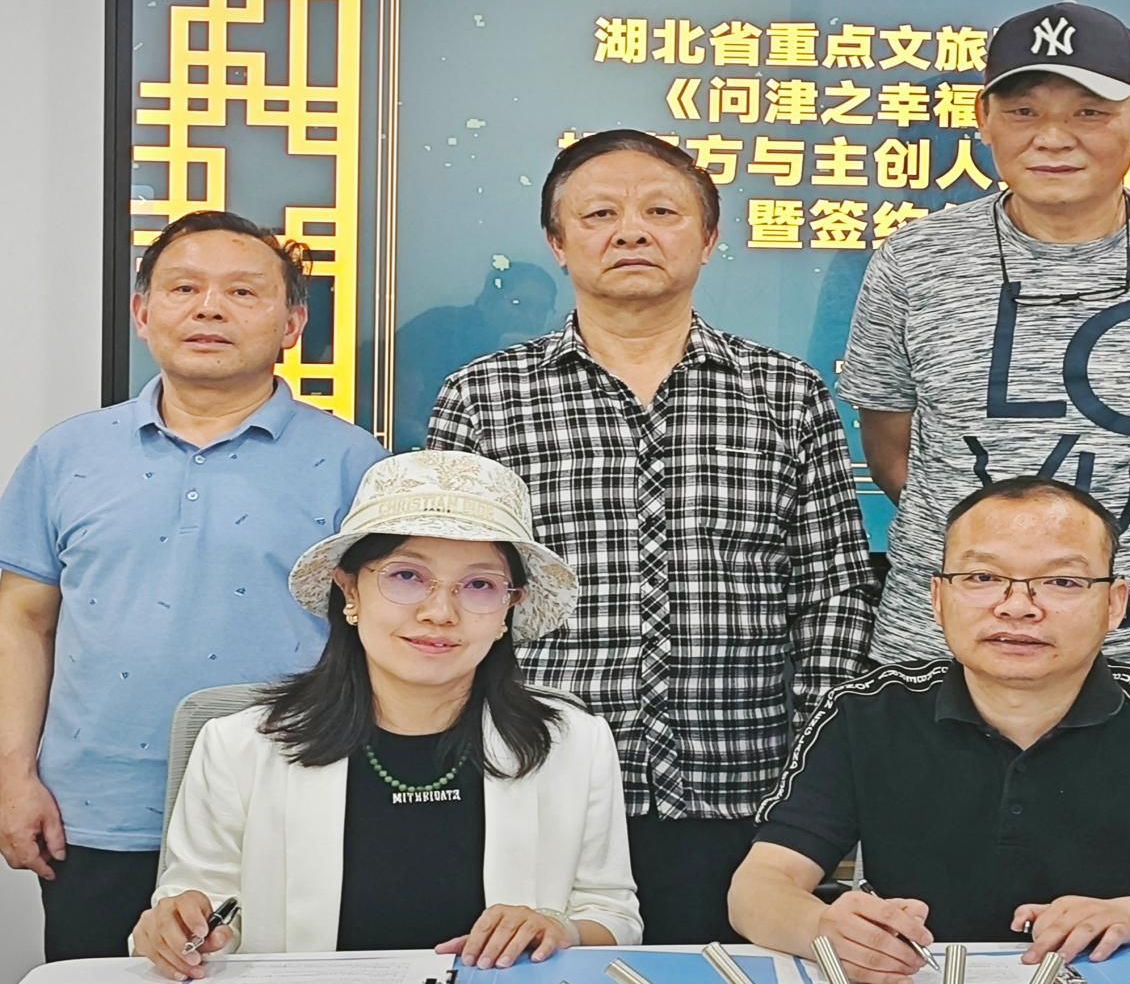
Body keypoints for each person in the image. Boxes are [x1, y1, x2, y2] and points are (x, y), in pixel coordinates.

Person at [425, 130, 876, 942]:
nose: (631, 231)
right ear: (558, 243)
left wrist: (812, 785)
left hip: (746, 795)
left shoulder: (786, 393)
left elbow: (832, 597)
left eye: (662, 212)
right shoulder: (484, 397)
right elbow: (450, 596)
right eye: (600, 214)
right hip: (536, 785)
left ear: (708, 238)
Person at [0, 211, 386, 961]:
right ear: (143, 313)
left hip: (290, 801)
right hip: (98, 813)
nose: (209, 308)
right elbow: (23, 621)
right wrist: (13, 775)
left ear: (292, 324)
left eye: (242, 291)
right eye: (183, 288)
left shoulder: (354, 463)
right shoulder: (66, 453)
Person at [839, 0, 1130, 684]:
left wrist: (1127, 576)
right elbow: (892, 452)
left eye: (1090, 112)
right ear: (983, 119)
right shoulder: (913, 261)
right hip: (944, 649)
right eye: (1024, 111)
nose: (1053, 139)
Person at [130, 451, 641, 980]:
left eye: (479, 585)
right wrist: (177, 931)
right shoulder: (239, 745)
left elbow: (614, 914)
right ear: (349, 590)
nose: (439, 613)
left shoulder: (574, 743)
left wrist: (560, 927)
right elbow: (199, 912)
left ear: (509, 608)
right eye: (407, 576)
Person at [728, 477, 1130, 983]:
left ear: (1114, 603)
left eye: (1062, 581)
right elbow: (758, 887)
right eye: (982, 577)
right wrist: (823, 929)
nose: (1017, 607)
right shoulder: (865, 712)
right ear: (938, 598)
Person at [390, 260, 557, 451]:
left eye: (541, 310)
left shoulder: (546, 356)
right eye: (518, 304)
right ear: (487, 301)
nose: (530, 317)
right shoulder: (443, 327)